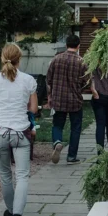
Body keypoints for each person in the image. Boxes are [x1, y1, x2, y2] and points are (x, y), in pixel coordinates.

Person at [0, 43, 38, 216]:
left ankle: (9, 210)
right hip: (21, 133)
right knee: (22, 175)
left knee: (5, 174)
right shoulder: (28, 80)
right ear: (20, 58)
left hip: (1, 132)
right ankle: (17, 215)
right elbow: (33, 109)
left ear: (2, 58)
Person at [46, 35, 89, 165]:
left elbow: (49, 79)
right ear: (78, 46)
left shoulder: (56, 59)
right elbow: (87, 81)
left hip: (58, 99)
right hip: (75, 100)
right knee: (75, 127)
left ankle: (57, 142)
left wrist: (50, 96)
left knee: (57, 124)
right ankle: (71, 156)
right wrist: (80, 88)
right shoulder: (81, 62)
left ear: (66, 45)